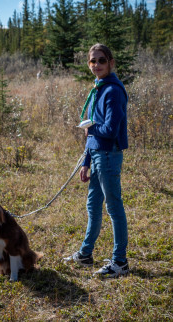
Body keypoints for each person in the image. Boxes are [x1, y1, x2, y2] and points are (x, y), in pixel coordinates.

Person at [64, 43, 129, 277]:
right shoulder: (97, 88)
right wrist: (86, 161)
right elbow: (92, 128)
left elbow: (110, 129)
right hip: (97, 155)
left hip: (109, 156)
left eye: (101, 60)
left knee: (114, 208)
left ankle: (120, 262)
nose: (97, 65)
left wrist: (91, 130)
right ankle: (85, 254)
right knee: (93, 206)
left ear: (111, 62)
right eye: (93, 61)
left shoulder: (113, 91)